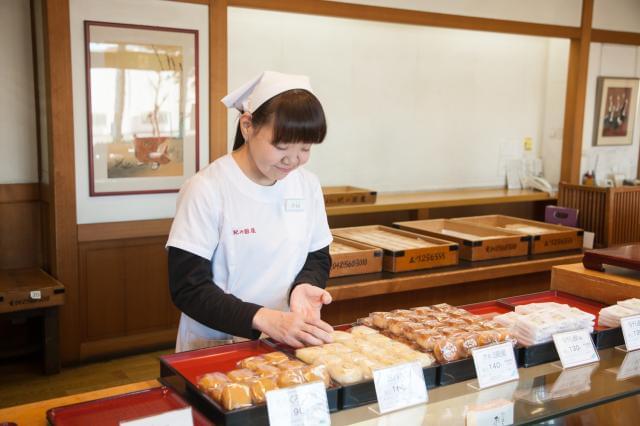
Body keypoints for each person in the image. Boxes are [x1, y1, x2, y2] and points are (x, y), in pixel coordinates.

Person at [166, 71, 335, 352]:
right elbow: (189, 288)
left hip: (284, 337)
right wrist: (263, 318)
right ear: (247, 126)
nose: (293, 160)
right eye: (281, 146)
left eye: (305, 148)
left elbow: (317, 256)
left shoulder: (307, 185)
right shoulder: (207, 188)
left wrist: (305, 285)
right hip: (215, 342)